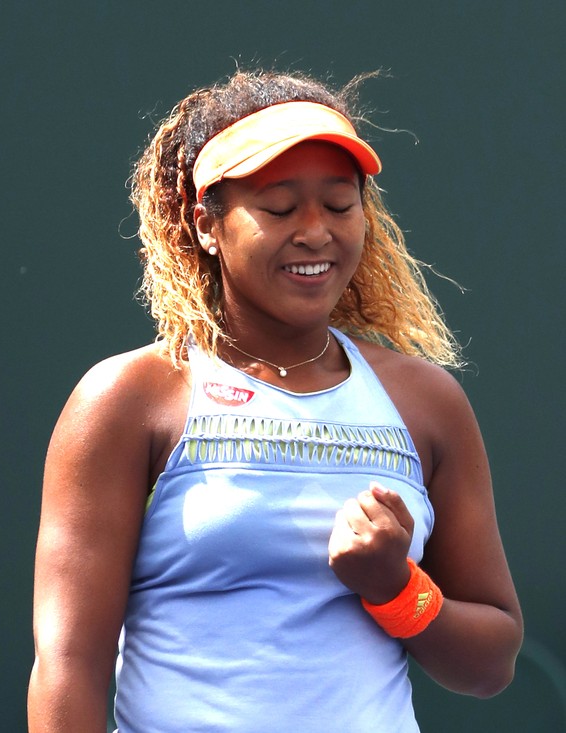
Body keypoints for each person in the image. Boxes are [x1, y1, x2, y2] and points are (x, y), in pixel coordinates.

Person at [28, 69, 523, 733]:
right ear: (207, 224)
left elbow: (491, 662)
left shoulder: (427, 402)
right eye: (281, 208)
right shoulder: (128, 399)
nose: (316, 232)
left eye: (340, 205)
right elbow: (68, 663)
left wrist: (396, 587)